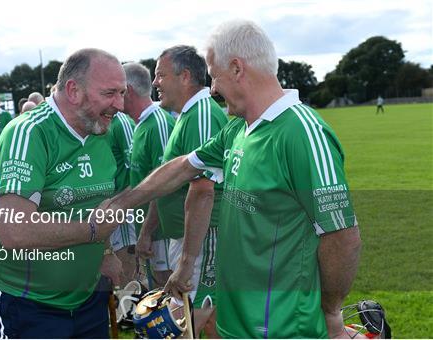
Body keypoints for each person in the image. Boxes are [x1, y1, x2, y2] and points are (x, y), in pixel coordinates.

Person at [101, 19, 362, 338]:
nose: (211, 89)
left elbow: (342, 237)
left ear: (237, 68)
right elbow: (184, 166)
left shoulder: (301, 132)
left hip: (281, 327)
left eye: (213, 75)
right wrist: (123, 203)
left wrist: (331, 311)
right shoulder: (238, 128)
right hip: (236, 322)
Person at [0, 48, 126, 338]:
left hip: (87, 296)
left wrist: (106, 252)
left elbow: (97, 203)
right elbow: (14, 232)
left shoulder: (105, 128)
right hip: (26, 302)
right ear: (73, 90)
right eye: (110, 93)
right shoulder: (30, 133)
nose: (119, 104)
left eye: (122, 93)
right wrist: (94, 230)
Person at [144, 45, 228, 337]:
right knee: (212, 319)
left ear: (186, 76)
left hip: (202, 236)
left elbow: (204, 190)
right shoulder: (187, 115)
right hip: (189, 236)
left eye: (160, 75)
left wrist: (186, 260)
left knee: (186, 321)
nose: (155, 83)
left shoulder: (202, 114)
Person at [122, 62, 176, 287]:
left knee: (168, 293)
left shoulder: (159, 124)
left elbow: (166, 184)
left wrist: (146, 232)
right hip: (149, 230)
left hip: (161, 232)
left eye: (117, 91)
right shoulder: (141, 124)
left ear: (128, 91)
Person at [107, 109, 138, 285]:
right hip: (109, 205)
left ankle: (128, 309)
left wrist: (122, 204)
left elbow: (136, 172)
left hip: (122, 206)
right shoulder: (101, 122)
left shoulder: (121, 123)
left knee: (125, 262)